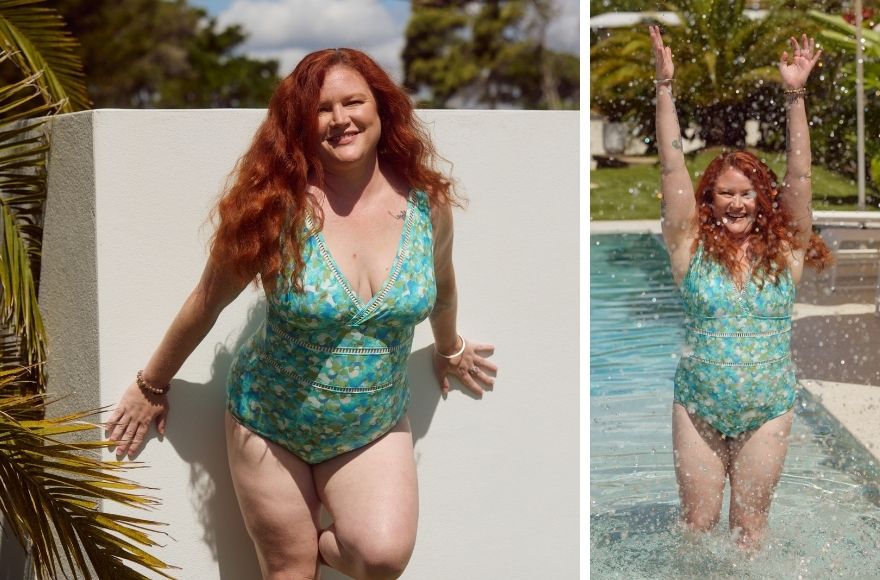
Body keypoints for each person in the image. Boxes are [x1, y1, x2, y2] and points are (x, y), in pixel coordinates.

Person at [105, 48, 497, 579]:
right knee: (288, 572)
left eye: (354, 102)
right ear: (301, 124)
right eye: (322, 109)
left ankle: (313, 546)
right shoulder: (275, 208)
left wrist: (449, 348)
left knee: (379, 557)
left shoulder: (427, 206)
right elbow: (207, 300)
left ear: (382, 110)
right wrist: (152, 384)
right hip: (269, 420)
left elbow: (443, 288)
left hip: (371, 424)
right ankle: (295, 552)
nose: (341, 120)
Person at [649, 26, 832, 551]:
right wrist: (665, 87)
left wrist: (795, 95)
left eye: (746, 193)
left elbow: (800, 175)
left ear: (761, 198)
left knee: (749, 534)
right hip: (699, 407)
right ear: (708, 200)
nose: (736, 203)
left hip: (767, 407)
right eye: (724, 194)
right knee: (697, 529)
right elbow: (670, 166)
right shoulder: (689, 248)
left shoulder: (785, 251)